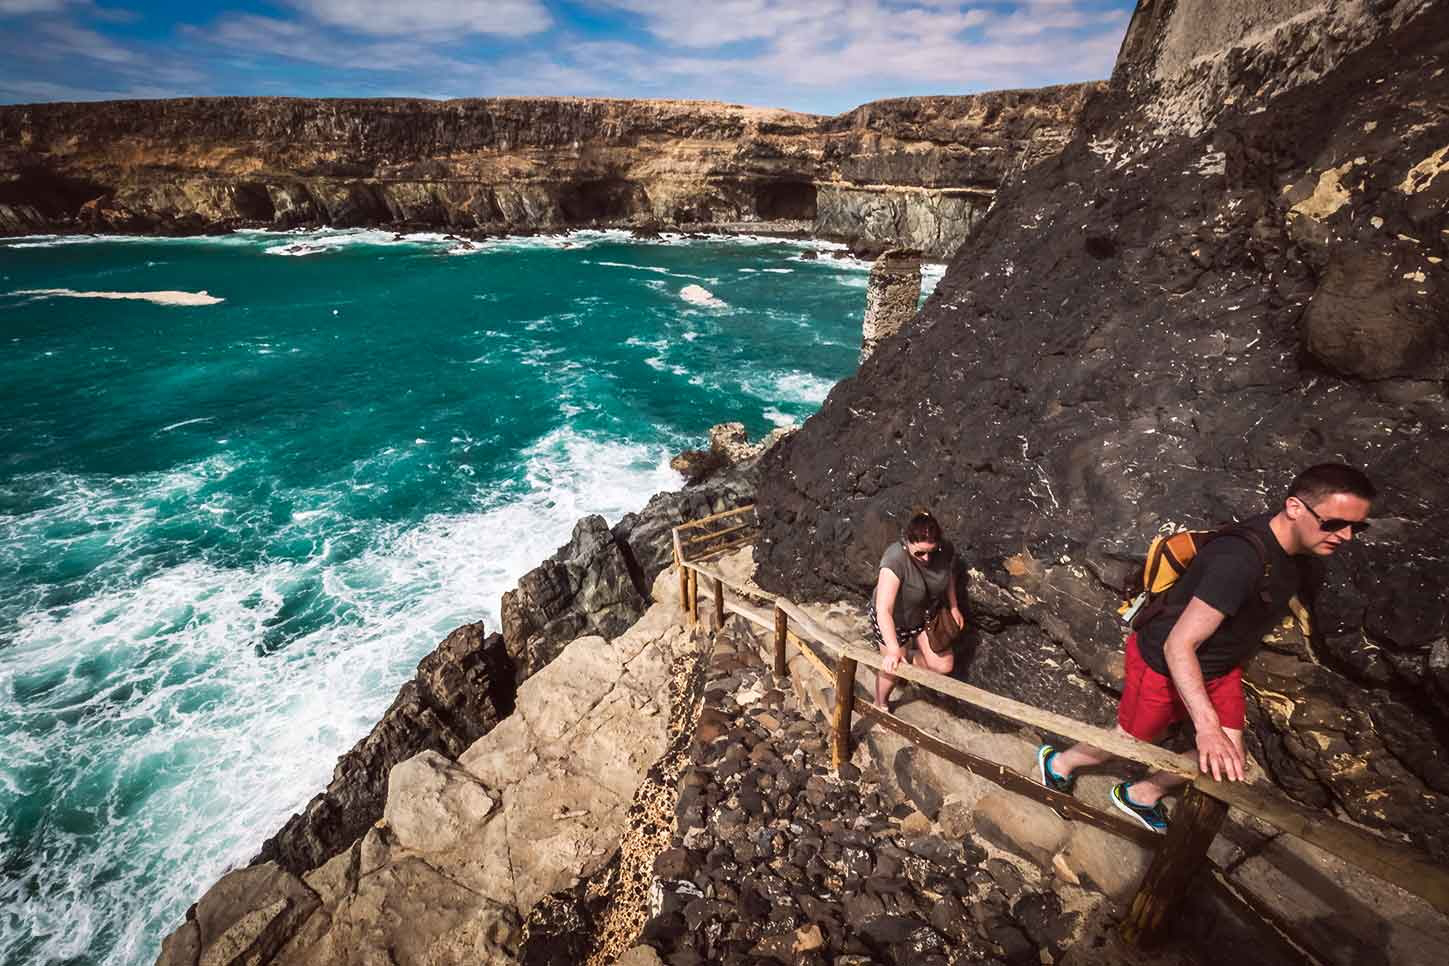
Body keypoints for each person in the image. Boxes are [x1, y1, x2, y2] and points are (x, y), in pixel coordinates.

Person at [1037, 464, 1375, 832]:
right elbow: (1179, 644)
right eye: (1334, 524)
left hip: (1219, 666)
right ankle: (1060, 763)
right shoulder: (1239, 562)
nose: (1346, 537)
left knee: (1228, 754)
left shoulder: (1298, 549)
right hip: (1163, 663)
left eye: (1357, 527)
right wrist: (1207, 726)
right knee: (1130, 739)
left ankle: (1142, 794)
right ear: (1294, 507)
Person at [869, 511, 964, 710]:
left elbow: (949, 575)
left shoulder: (944, 549)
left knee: (943, 665)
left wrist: (954, 606)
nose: (927, 558)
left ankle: (909, 657)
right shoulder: (895, 559)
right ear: (907, 543)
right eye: (920, 553)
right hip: (895, 620)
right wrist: (893, 650)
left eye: (932, 551)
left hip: (924, 615)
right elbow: (883, 609)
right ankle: (879, 703)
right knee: (894, 669)